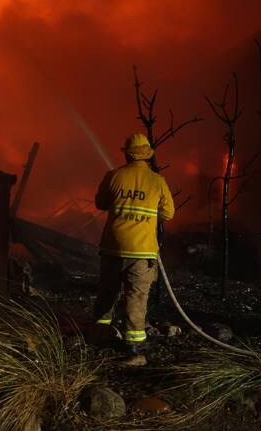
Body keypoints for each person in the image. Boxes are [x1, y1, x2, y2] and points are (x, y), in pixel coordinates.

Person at [93, 132, 174, 356]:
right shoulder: (157, 181)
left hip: (113, 246)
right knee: (136, 295)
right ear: (147, 155)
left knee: (108, 290)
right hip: (141, 250)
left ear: (127, 155)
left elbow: (100, 203)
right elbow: (168, 213)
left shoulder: (113, 176)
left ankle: (99, 331)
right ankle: (134, 342)